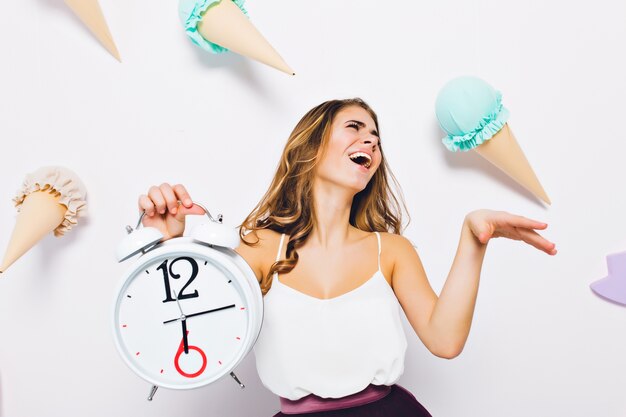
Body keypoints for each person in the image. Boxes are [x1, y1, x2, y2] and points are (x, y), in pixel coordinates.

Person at [138, 98, 557, 416]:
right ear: (311, 146)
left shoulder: (390, 250)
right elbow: (188, 333)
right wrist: (166, 246)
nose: (371, 141)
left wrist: (473, 239)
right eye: (354, 127)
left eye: (375, 136)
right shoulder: (260, 247)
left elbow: (445, 341)